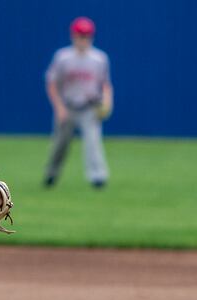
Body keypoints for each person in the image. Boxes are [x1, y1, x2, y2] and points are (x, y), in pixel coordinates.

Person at [44, 16, 114, 189]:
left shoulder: (99, 58)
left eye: (86, 35)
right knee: (60, 145)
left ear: (91, 36)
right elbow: (52, 83)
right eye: (80, 35)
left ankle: (98, 178)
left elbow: (105, 84)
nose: (83, 39)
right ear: (73, 35)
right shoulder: (63, 57)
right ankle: (51, 175)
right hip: (67, 106)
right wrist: (59, 107)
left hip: (89, 108)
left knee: (93, 142)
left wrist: (107, 101)